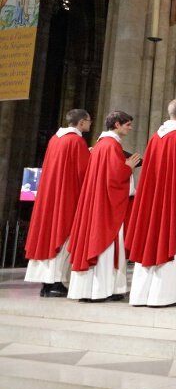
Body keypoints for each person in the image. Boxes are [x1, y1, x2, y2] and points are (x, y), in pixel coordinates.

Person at [127, 99, 176, 307]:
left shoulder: (155, 138)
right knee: (173, 242)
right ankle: (166, 295)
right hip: (175, 203)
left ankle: (142, 295)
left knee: (151, 241)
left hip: (154, 202)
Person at [67, 111, 141, 302]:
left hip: (97, 202)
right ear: (117, 124)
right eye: (127, 125)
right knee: (106, 243)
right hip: (106, 207)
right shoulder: (111, 145)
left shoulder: (102, 144)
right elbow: (114, 178)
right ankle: (101, 290)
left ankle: (91, 290)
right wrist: (128, 168)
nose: (130, 128)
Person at [24, 109, 92, 297]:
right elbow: (84, 171)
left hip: (50, 195)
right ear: (81, 123)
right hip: (66, 196)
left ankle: (47, 284)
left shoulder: (55, 139)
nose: (89, 124)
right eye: (88, 121)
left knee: (48, 233)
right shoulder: (76, 141)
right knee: (62, 235)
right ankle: (56, 282)